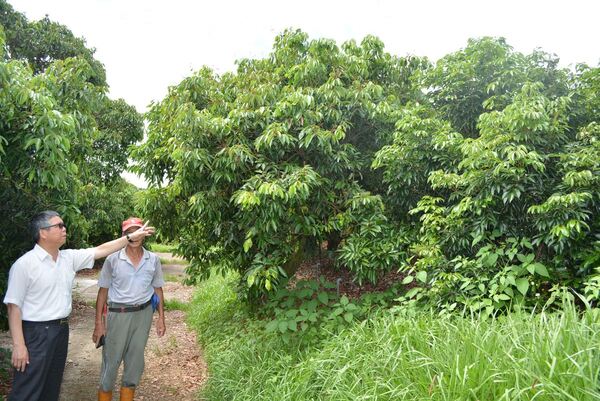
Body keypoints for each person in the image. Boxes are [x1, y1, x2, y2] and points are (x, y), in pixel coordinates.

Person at [3, 210, 155, 401]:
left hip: (60, 331)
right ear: (43, 232)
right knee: (27, 389)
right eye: (59, 225)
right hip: (36, 332)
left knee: (51, 387)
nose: (64, 228)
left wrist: (131, 236)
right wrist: (19, 345)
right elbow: (13, 307)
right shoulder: (25, 265)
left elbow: (101, 249)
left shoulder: (67, 258)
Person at [93, 217, 165, 401]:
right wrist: (98, 325)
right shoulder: (113, 259)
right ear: (125, 235)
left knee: (135, 362)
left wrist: (161, 318)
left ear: (144, 234)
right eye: (130, 232)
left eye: (137, 231)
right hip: (118, 314)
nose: (135, 235)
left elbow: (158, 289)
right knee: (111, 361)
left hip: (143, 314)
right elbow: (102, 293)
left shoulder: (153, 260)